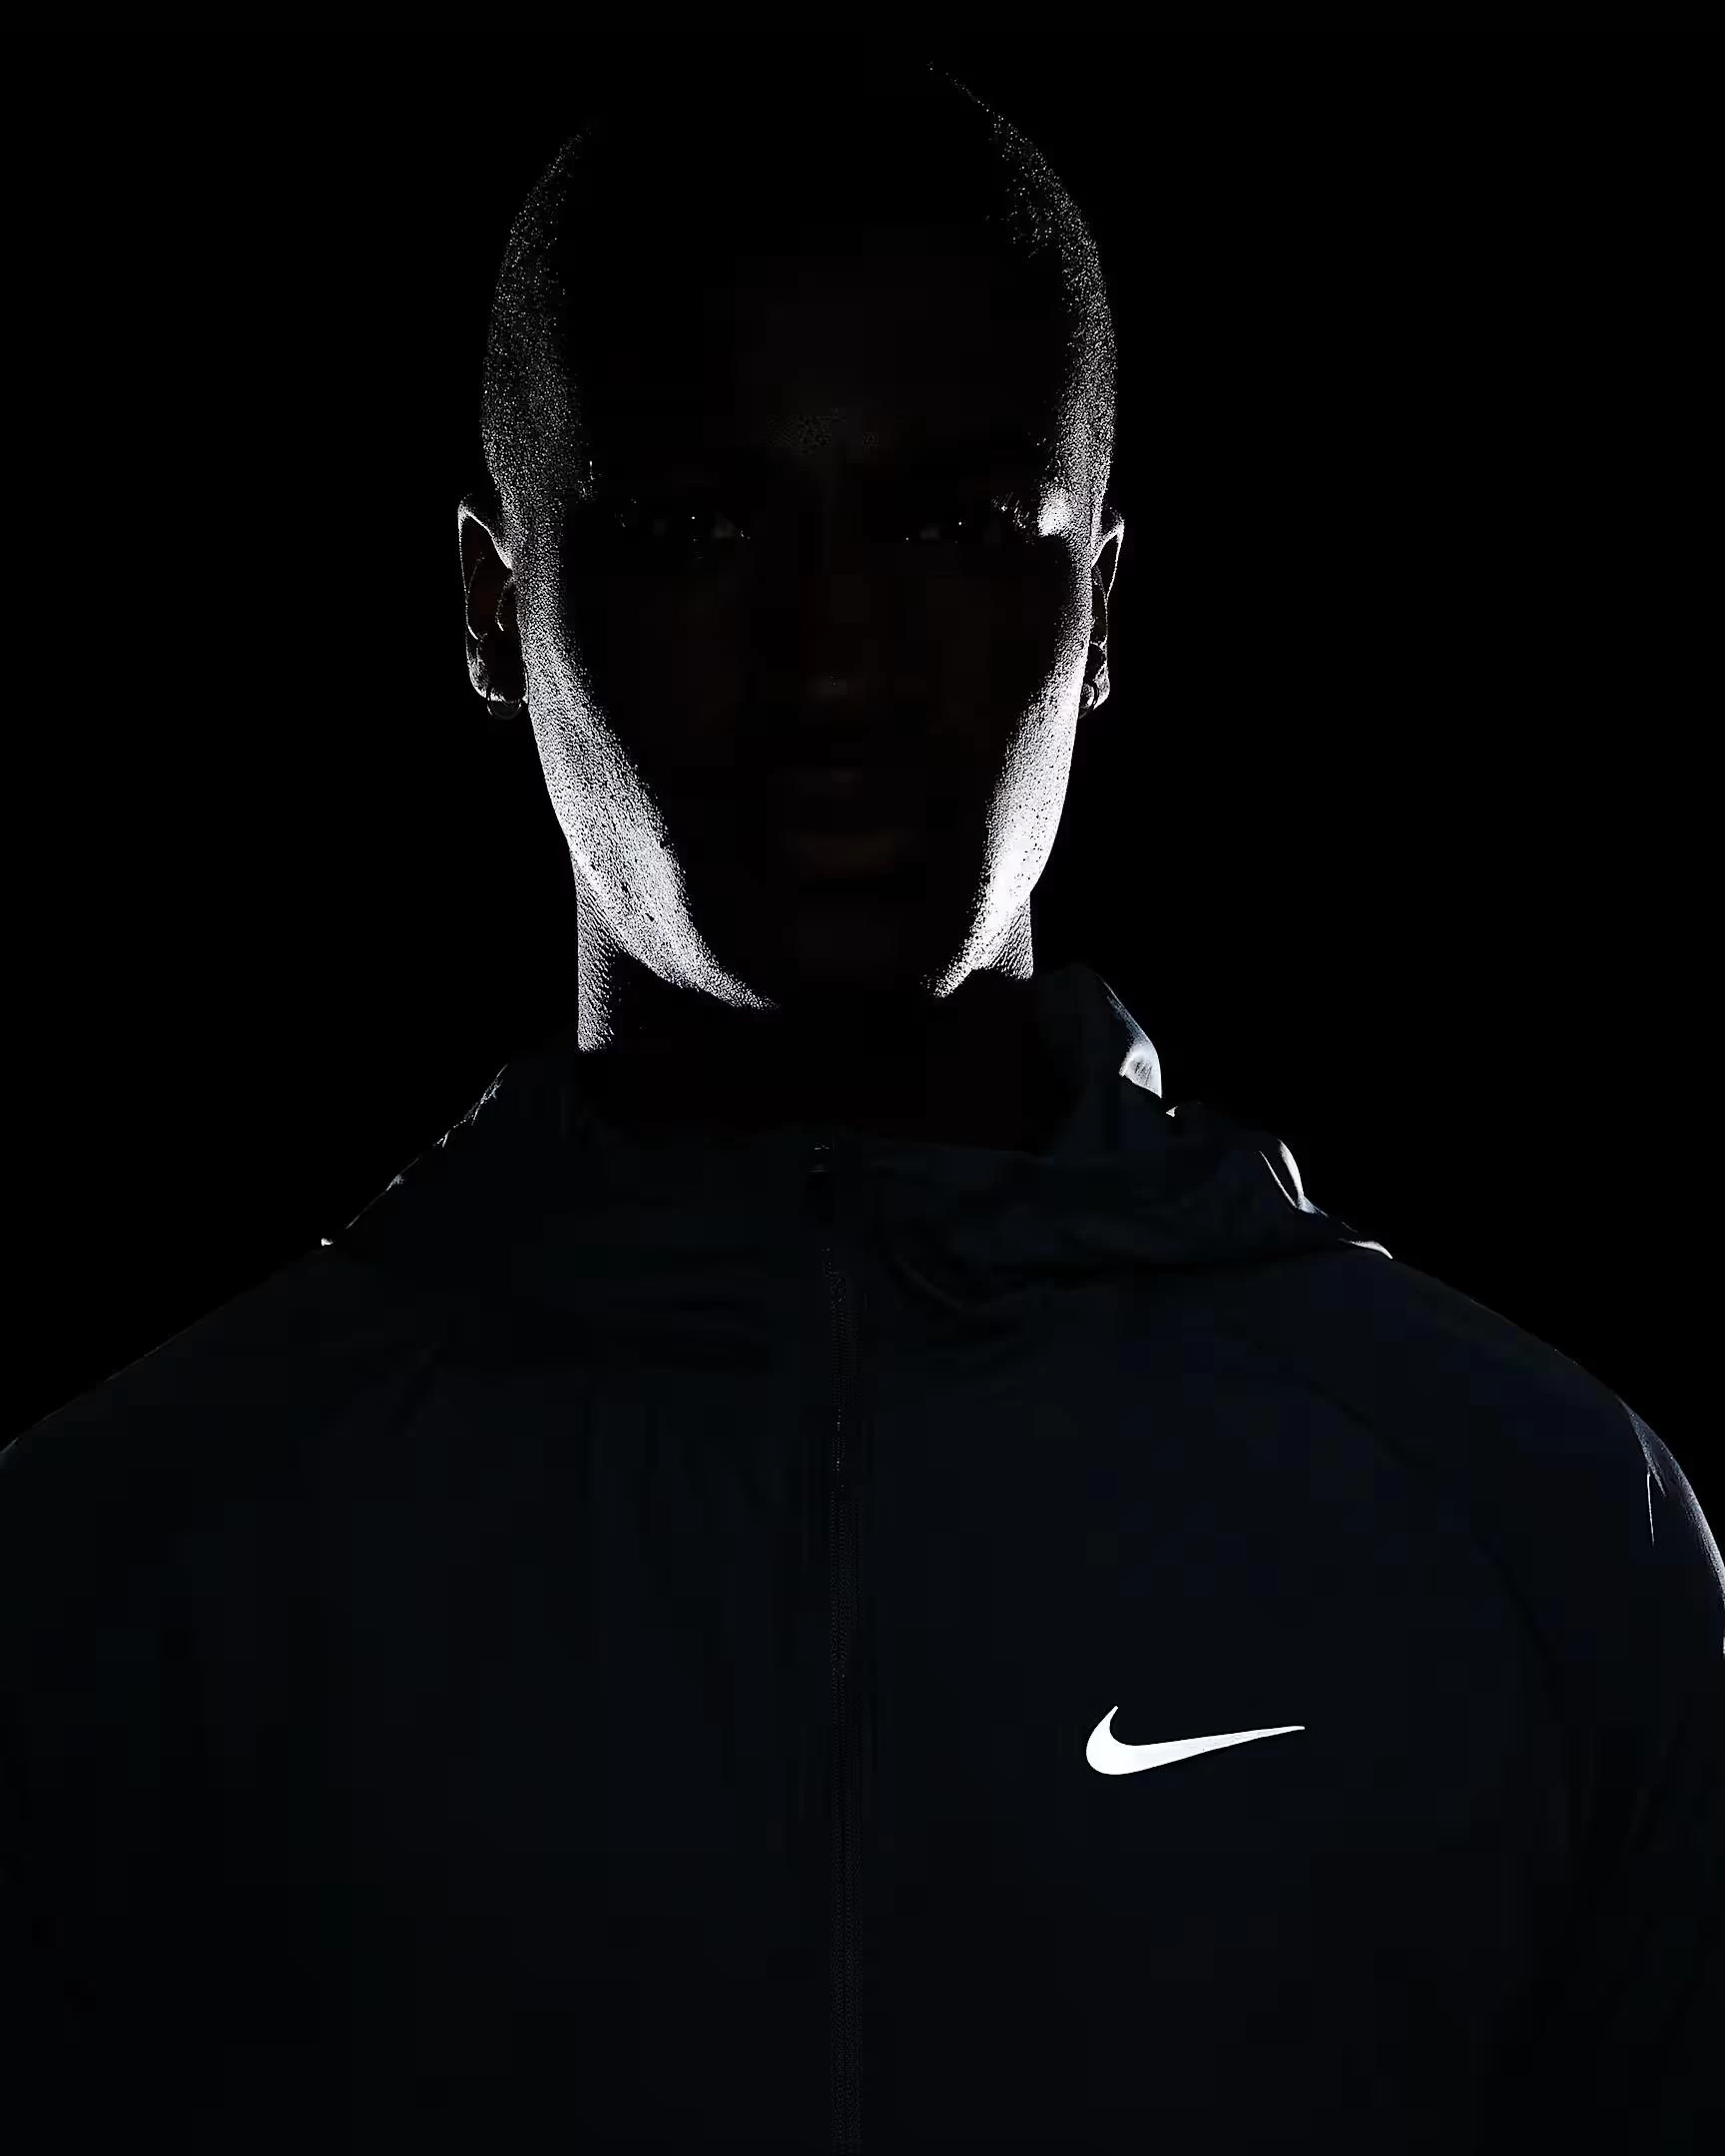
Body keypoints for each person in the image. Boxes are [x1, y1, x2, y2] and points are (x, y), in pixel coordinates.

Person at [3, 50, 1720, 2156]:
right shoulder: (123, 1583)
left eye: (960, 527)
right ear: (488, 606)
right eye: (692, 528)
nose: (833, 662)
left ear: (1103, 612)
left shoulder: (1533, 1531)